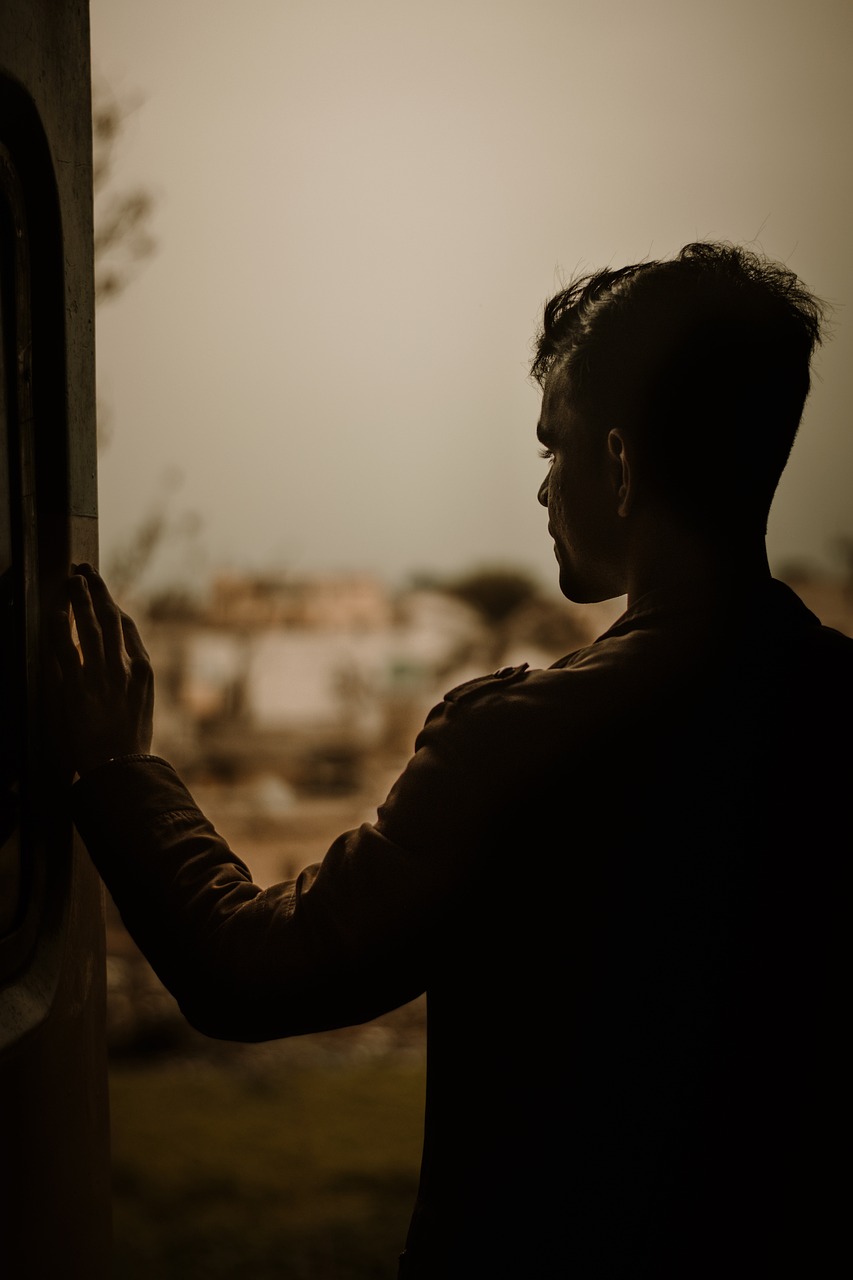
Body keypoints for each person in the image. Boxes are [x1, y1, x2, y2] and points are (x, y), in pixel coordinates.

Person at [56, 242, 852, 1278]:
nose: (539, 485)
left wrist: (121, 771)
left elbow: (249, 970)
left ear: (617, 464)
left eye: (551, 445)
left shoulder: (520, 737)